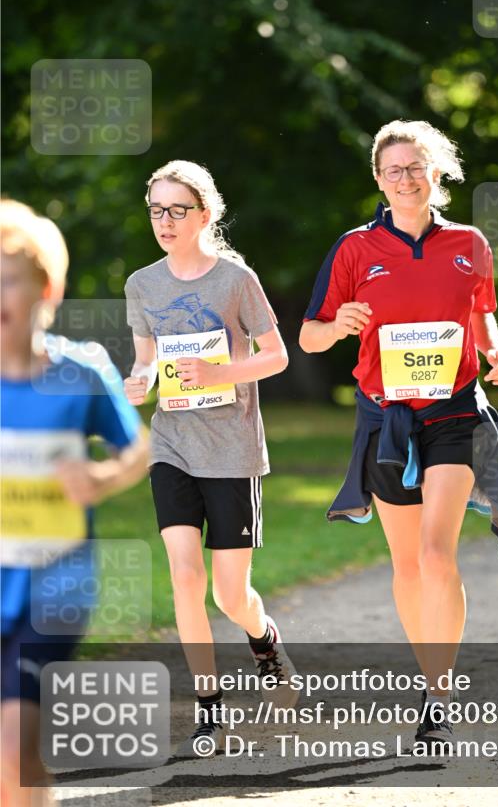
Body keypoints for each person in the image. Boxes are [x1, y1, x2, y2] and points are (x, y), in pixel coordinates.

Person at [299, 120, 498, 752]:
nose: (405, 178)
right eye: (392, 170)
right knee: (404, 567)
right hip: (386, 420)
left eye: (415, 166)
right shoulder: (355, 249)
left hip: (453, 412)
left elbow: (482, 319)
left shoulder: (469, 243)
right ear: (378, 179)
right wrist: (339, 322)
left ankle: (440, 697)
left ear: (436, 172)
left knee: (436, 556)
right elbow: (309, 337)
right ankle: (429, 678)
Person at [123, 160, 292, 757]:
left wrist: (223, 371)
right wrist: (140, 380)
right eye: (155, 210)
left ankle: (263, 637)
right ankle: (209, 707)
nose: (164, 222)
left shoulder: (235, 280)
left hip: (232, 449)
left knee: (229, 594)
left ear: (205, 214)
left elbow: (276, 356)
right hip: (172, 444)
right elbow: (147, 359)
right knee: (185, 578)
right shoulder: (142, 285)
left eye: (176, 210)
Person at [0, 199, 149, 807]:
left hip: (53, 585)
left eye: (7, 278)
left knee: (14, 744)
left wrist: (102, 476)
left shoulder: (81, 371)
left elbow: (137, 450)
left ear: (47, 287)